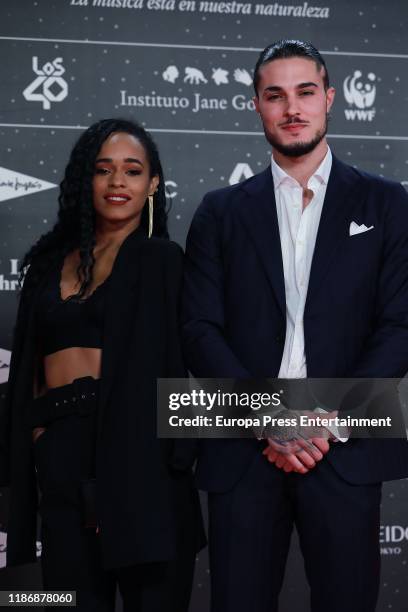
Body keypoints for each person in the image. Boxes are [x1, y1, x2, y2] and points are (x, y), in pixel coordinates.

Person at [182, 40, 408, 612]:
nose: (292, 108)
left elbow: (401, 324)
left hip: (345, 446)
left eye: (305, 92)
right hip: (245, 450)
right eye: (274, 95)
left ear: (329, 98)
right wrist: (268, 419)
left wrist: (329, 422)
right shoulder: (221, 211)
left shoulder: (386, 204)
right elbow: (200, 329)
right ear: (255, 105)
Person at [0, 118, 203, 611]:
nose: (117, 183)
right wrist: (40, 438)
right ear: (83, 179)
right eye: (103, 170)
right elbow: (27, 367)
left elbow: (186, 357)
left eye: (132, 171)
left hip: (140, 464)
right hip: (62, 461)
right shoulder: (47, 265)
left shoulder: (162, 260)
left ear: (153, 183)